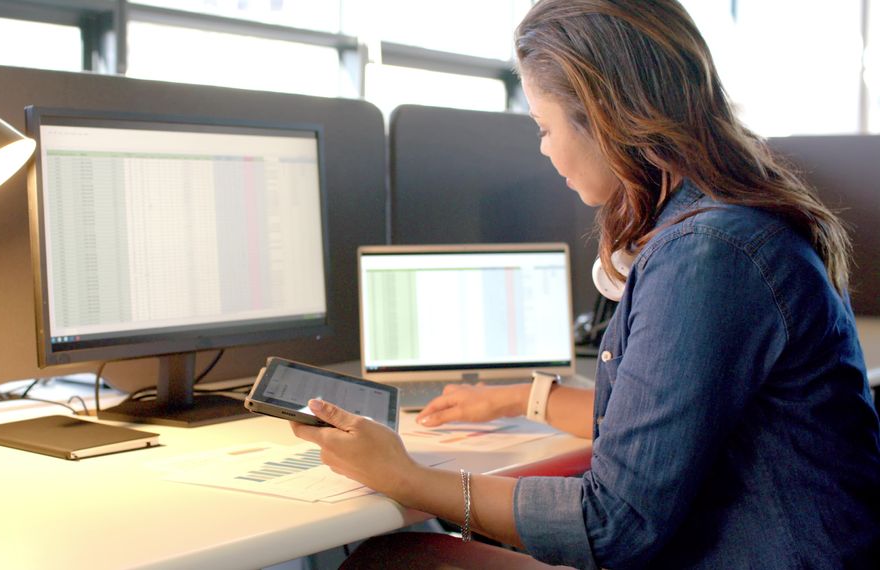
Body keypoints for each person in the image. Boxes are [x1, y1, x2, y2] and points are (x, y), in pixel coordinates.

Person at [291, 0, 880, 568]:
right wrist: (518, 397)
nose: (545, 149)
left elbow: (611, 522)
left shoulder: (707, 255)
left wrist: (408, 478)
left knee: (397, 560)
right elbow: (656, 418)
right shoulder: (730, 222)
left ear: (602, 116)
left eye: (544, 126)